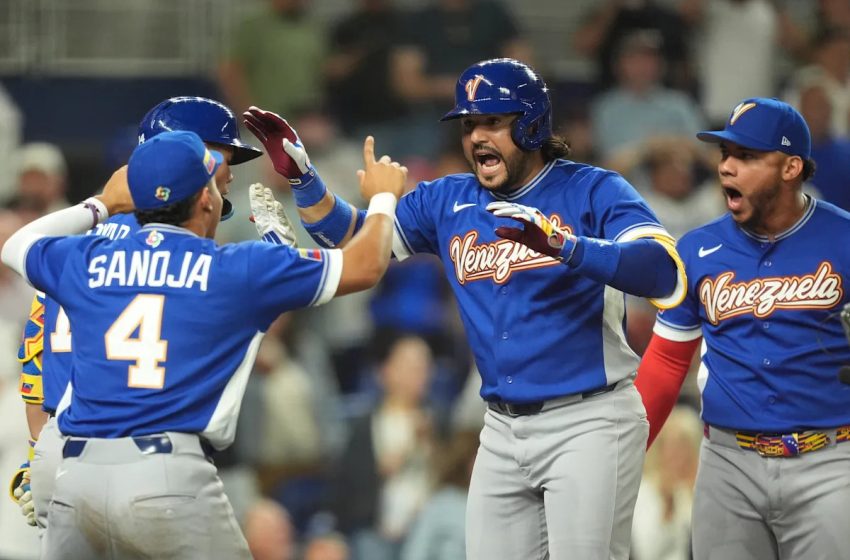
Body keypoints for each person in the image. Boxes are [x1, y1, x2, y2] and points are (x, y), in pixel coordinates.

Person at [244, 58, 687, 560]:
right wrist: (304, 178)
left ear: (532, 124)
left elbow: (663, 273)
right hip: (499, 426)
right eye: (468, 124)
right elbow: (354, 239)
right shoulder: (448, 198)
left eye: (492, 122)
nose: (476, 136)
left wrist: (567, 246)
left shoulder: (592, 188)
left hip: (588, 419)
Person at [0, 129, 406, 559]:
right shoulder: (236, 267)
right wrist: (382, 198)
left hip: (75, 477)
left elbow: (16, 245)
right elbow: (366, 265)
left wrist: (103, 203)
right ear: (206, 200)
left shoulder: (87, 257)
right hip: (165, 476)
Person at [6, 96, 276, 535]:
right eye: (223, 157)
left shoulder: (77, 237)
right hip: (141, 461)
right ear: (192, 155)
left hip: (64, 450)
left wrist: (39, 447)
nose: (228, 173)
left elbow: (36, 346)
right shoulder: (168, 245)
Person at [635, 97, 850, 560]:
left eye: (747, 157)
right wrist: (628, 453)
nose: (727, 168)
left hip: (830, 461)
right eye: (725, 154)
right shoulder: (696, 249)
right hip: (727, 464)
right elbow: (667, 361)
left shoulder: (844, 239)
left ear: (791, 167)